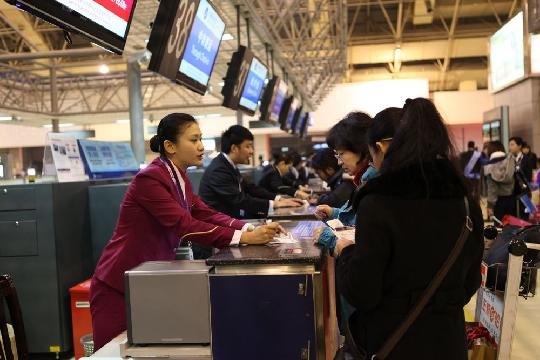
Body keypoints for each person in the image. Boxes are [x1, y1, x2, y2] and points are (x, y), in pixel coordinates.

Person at [90, 114, 282, 350]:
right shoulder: (150, 178)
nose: (201, 146)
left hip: (148, 281)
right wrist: (244, 238)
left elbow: (205, 213)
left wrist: (249, 227)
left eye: (201, 138)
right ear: (170, 146)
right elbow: (185, 225)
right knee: (113, 352)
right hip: (118, 285)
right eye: (193, 140)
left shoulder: (178, 177)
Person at [335, 98, 484, 359]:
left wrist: (346, 252)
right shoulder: (465, 201)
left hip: (391, 343)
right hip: (448, 343)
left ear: (380, 147)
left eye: (372, 156)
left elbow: (362, 293)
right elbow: (470, 282)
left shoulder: (378, 203)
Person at [199, 125, 303, 220]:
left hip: (233, 218)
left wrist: (279, 199)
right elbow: (239, 201)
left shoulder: (229, 165)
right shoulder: (219, 169)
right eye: (248, 146)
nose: (252, 151)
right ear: (234, 148)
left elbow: (250, 188)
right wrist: (274, 204)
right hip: (219, 225)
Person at [484, 140, 516, 220]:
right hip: (512, 199)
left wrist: (490, 206)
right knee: (512, 226)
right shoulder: (511, 161)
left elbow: (492, 189)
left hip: (498, 202)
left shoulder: (489, 166)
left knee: (500, 228)